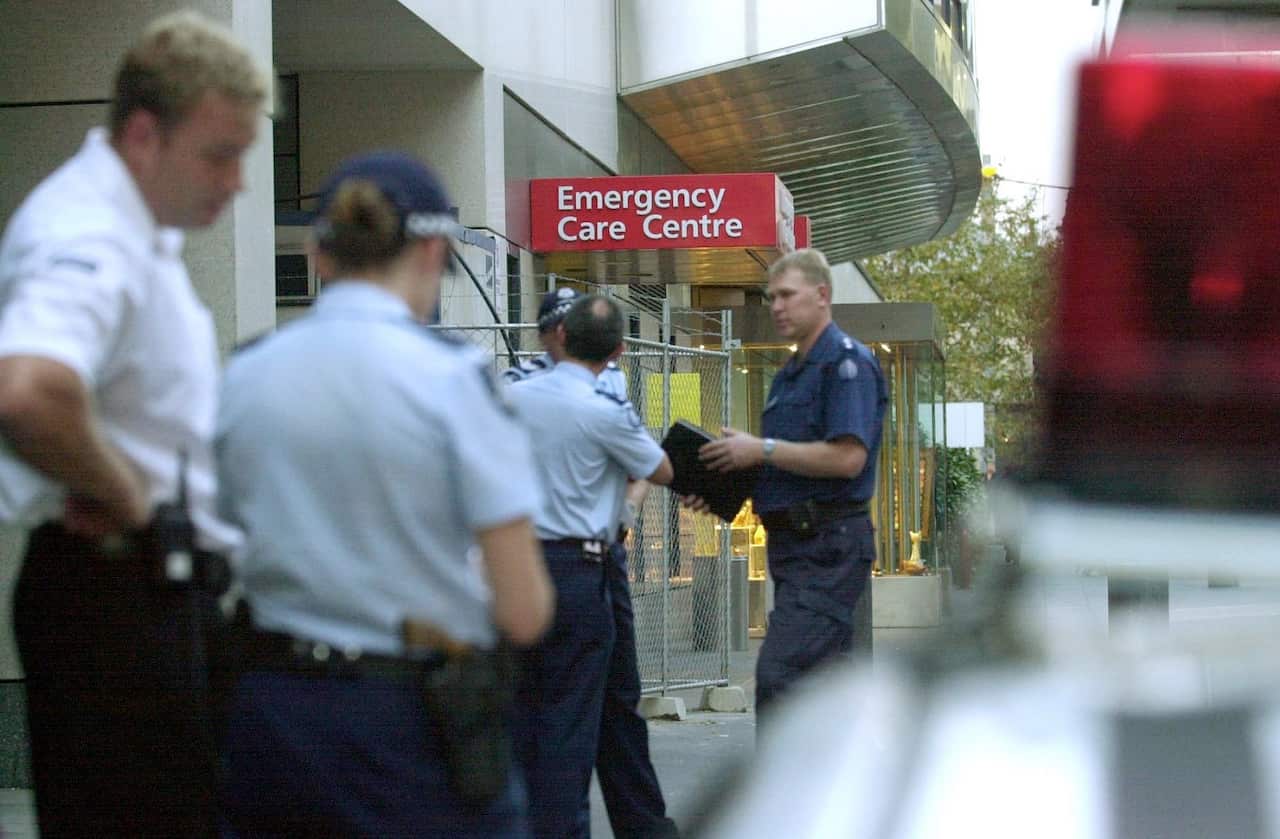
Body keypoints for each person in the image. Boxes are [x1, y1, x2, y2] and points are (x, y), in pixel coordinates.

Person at [215, 152, 554, 836]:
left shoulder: (245, 374)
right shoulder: (454, 378)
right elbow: (523, 611)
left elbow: (215, 538)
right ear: (433, 249)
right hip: (409, 720)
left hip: (269, 713)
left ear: (317, 254)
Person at [0, 12, 266, 837]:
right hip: (116, 589)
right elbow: (28, 390)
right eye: (220, 154)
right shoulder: (89, 231)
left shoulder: (138, 235)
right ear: (145, 135)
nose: (237, 182)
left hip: (150, 590)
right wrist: (133, 500)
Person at [504, 286, 678, 838]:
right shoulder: (575, 396)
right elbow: (657, 467)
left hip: (553, 559)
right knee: (565, 722)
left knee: (599, 705)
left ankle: (639, 825)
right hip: (576, 565)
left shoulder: (514, 395)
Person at [691, 248, 887, 718]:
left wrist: (762, 449)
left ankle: (781, 791)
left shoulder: (845, 365)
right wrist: (726, 480)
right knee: (821, 692)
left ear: (822, 295)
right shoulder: (789, 375)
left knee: (781, 678)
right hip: (796, 550)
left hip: (827, 546)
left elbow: (847, 458)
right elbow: (785, 463)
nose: (776, 306)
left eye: (786, 295)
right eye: (770, 297)